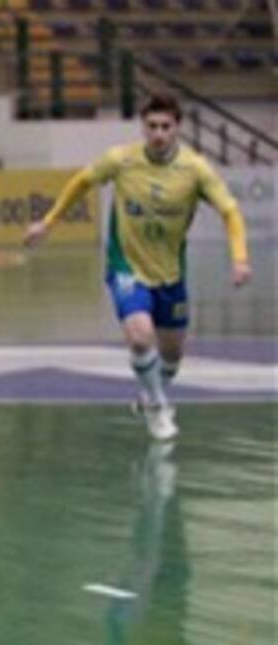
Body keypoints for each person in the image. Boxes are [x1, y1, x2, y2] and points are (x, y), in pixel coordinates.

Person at [25, 92, 251, 441]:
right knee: (139, 334)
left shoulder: (196, 170)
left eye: (166, 126)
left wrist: (239, 258)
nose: (159, 133)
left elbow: (230, 212)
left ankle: (149, 393)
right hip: (126, 265)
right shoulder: (120, 160)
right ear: (143, 128)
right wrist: (49, 222)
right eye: (152, 126)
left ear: (177, 128)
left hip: (171, 272)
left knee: (172, 353)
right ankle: (159, 408)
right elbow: (83, 182)